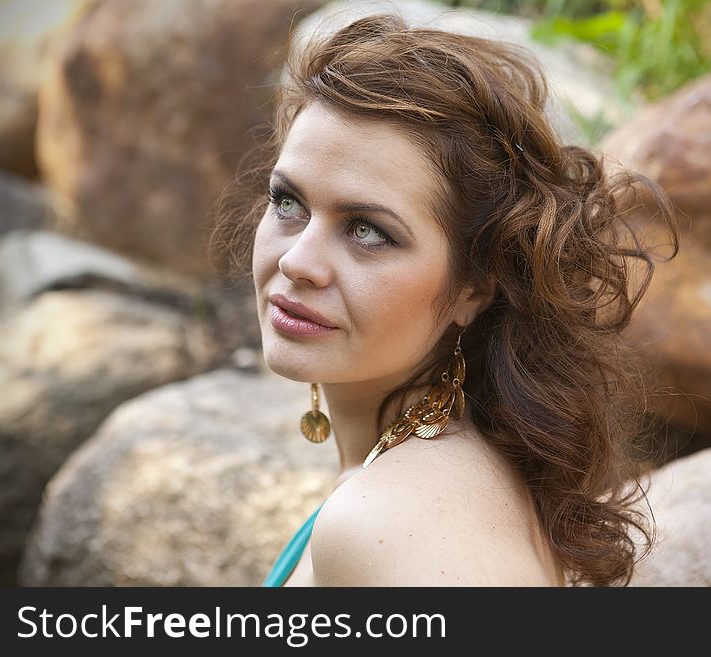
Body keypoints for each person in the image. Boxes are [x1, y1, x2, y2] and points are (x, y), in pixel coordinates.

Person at [213, 12, 678, 587]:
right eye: (288, 202)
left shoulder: (393, 522)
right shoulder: (437, 466)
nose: (296, 262)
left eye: (367, 231)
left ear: (475, 287)